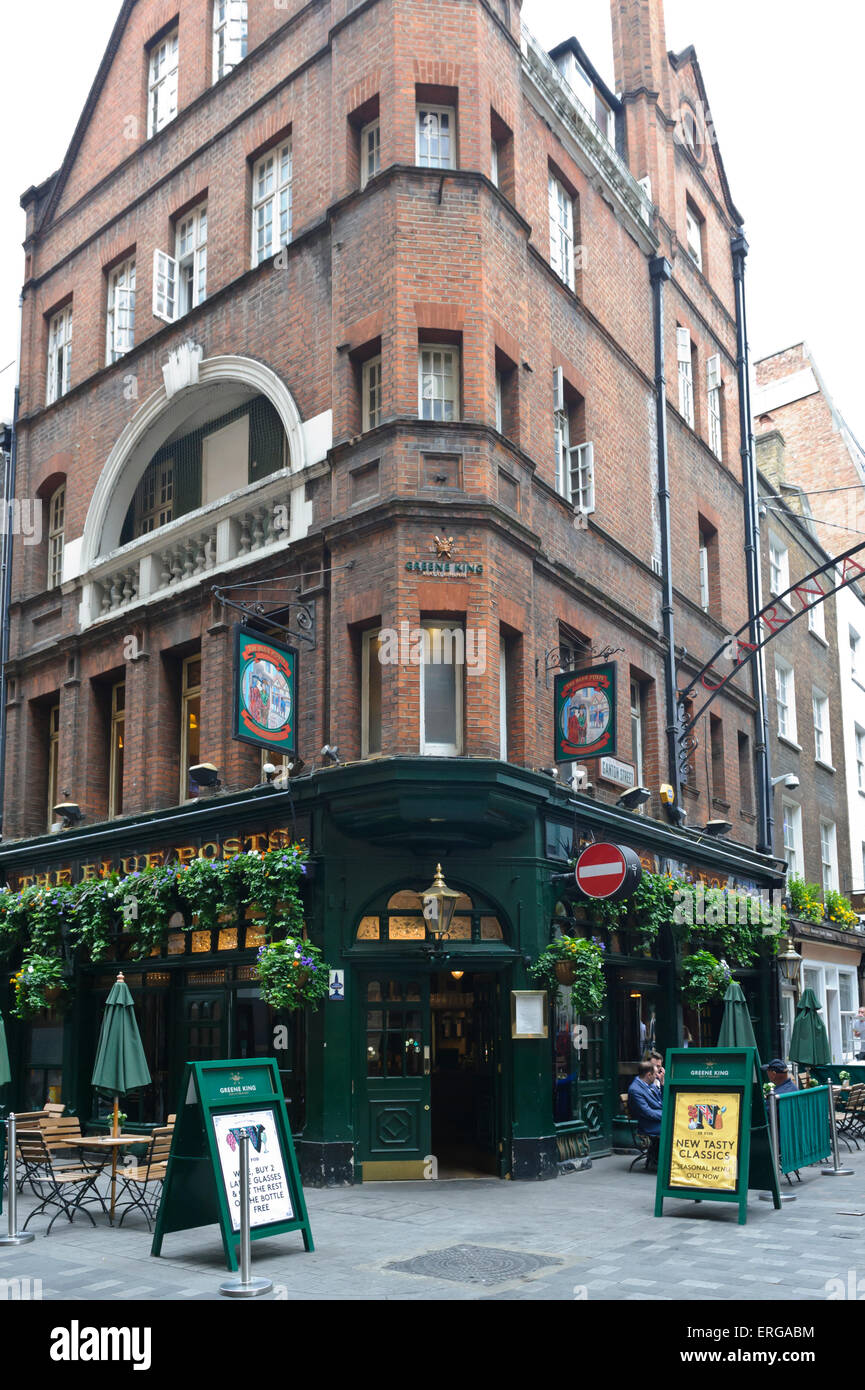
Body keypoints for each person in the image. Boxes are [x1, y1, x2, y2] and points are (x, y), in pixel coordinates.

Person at [628, 1061, 664, 1170]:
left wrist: (662, 1084)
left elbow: (662, 1101)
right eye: (656, 1073)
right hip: (648, 1124)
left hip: (657, 1120)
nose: (657, 1076)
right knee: (675, 1129)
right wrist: (666, 1115)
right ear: (649, 1075)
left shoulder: (650, 1085)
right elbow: (647, 1112)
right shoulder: (635, 1090)